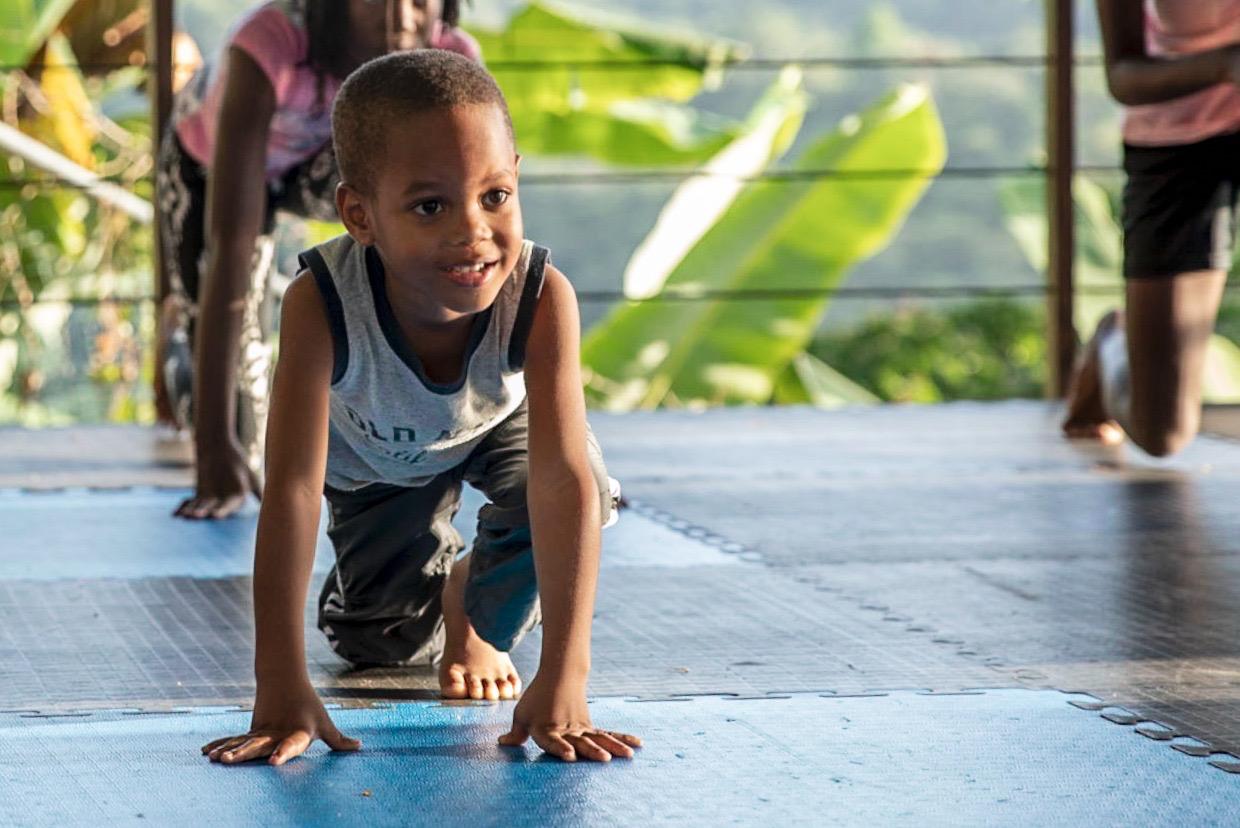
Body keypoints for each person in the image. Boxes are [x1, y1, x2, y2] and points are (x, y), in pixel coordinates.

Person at [199, 50, 642, 766]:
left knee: (584, 491)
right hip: (375, 468)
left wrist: (566, 676)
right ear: (360, 215)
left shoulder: (539, 295)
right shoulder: (319, 303)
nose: (472, 231)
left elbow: (560, 478)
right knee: (382, 646)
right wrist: (278, 680)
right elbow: (292, 489)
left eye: (494, 195)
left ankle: (475, 610)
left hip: (498, 432)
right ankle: (424, 595)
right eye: (430, 206)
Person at [156, 0, 480, 519]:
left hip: (320, 165)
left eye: (420, 0)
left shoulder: (451, 59)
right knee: (241, 427)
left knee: (430, 199)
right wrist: (214, 449)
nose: (401, 17)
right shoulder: (269, 45)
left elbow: (483, 234)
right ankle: (181, 343)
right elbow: (230, 255)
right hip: (212, 165)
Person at [1064, 1, 1240, 456]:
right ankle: (1113, 343)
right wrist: (1226, 65)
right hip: (1178, 137)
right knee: (1161, 432)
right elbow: (1123, 75)